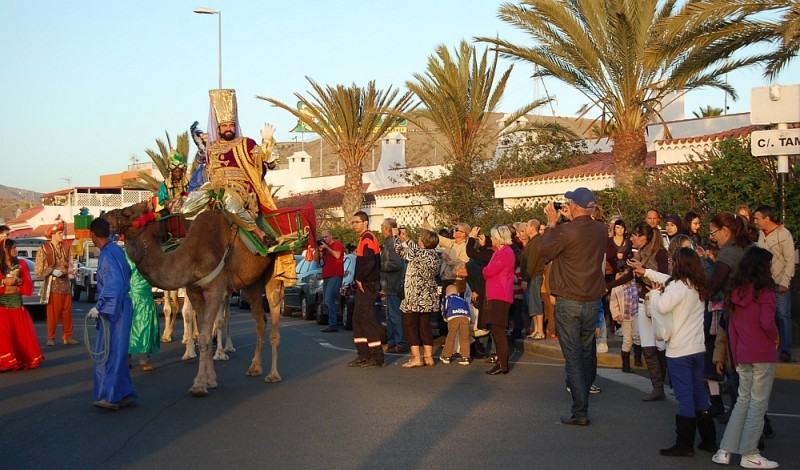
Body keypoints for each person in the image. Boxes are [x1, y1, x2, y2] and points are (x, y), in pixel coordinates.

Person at [539, 187, 608, 425]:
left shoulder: (565, 231)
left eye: (570, 202)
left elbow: (544, 250)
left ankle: (580, 410)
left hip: (569, 300)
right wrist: (569, 219)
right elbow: (582, 231)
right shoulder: (601, 228)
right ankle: (584, 395)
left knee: (573, 356)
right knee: (587, 351)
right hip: (592, 300)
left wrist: (551, 223)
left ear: (575, 206)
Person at [181, 89, 280, 247]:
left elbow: (269, 162)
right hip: (214, 187)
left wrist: (267, 142)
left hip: (241, 188)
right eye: (224, 125)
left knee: (230, 203)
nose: (228, 128)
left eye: (231, 125)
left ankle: (260, 234)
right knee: (186, 208)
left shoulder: (245, 143)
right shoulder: (211, 149)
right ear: (218, 128)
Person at [642, 247, 716, 457]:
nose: (671, 263)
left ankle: (684, 444)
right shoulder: (698, 286)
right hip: (697, 348)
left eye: (673, 260)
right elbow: (669, 282)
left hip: (679, 350)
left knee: (684, 397)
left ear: (679, 263)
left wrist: (654, 294)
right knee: (699, 394)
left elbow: (663, 306)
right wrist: (648, 273)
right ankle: (709, 440)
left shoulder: (676, 287)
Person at [712, 246, 781, 469]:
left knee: (742, 401)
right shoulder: (766, 293)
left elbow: (731, 329)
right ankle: (749, 452)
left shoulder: (735, 292)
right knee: (758, 404)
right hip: (762, 353)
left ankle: (725, 450)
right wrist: (775, 338)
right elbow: (767, 323)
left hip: (742, 353)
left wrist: (736, 354)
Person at [87, 218, 135, 410]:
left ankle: (111, 395)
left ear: (93, 234)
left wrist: (100, 307)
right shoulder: (116, 250)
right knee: (119, 351)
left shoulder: (108, 255)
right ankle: (124, 392)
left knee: (110, 352)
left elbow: (113, 285)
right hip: (121, 305)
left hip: (114, 309)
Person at [753, 205, 795, 363]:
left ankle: (785, 349)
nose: (755, 221)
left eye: (757, 218)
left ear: (767, 218)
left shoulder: (784, 234)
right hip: (764, 283)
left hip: (779, 282)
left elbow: (790, 259)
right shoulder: (761, 235)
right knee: (767, 316)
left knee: (783, 315)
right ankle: (771, 347)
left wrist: (785, 281)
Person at [394, 228, 440, 368]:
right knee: (424, 324)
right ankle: (428, 356)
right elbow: (415, 250)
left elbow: (400, 250)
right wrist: (407, 240)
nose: (418, 239)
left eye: (420, 238)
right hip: (428, 295)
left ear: (424, 242)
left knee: (409, 324)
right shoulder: (433, 255)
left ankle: (416, 357)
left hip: (414, 294)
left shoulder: (418, 253)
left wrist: (396, 237)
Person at [0, 238, 45, 371]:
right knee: (5, 335)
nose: (16, 250)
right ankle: (7, 361)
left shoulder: (21, 264)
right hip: (3, 304)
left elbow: (27, 283)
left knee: (20, 334)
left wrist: (19, 281)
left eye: (16, 247)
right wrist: (4, 283)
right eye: (13, 248)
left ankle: (20, 359)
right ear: (5, 250)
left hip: (17, 303)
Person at [347, 211, 384, 368]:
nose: (354, 224)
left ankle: (376, 356)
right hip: (365, 284)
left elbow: (369, 263)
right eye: (353, 222)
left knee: (367, 319)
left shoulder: (368, 238)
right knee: (358, 319)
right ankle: (363, 354)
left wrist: (360, 278)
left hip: (368, 284)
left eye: (357, 222)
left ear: (365, 223)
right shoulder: (364, 238)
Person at [34, 219, 78, 346]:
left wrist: (71, 271)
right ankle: (50, 337)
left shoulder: (66, 247)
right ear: (52, 235)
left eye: (62, 232)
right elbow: (38, 270)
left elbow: (72, 264)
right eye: (59, 233)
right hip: (53, 285)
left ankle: (67, 336)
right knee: (53, 313)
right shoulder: (44, 249)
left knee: (67, 313)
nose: (62, 235)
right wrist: (52, 270)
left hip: (65, 285)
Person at [480, 225, 516, 375]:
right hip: (495, 294)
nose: (492, 239)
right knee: (496, 331)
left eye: (494, 236)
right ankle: (502, 362)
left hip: (500, 295)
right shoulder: (500, 252)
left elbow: (489, 270)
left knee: (499, 331)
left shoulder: (505, 253)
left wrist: (485, 270)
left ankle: (503, 364)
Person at [125, 250, 160, 371]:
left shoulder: (124, 253)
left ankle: (127, 359)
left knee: (127, 327)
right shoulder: (148, 254)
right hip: (141, 296)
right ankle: (144, 359)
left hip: (130, 296)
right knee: (144, 327)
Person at [379, 219, 407, 352]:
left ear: (386, 228)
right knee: (389, 316)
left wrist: (380, 266)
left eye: (382, 227)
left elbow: (396, 264)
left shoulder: (392, 243)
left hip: (394, 285)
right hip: (389, 286)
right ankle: (392, 342)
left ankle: (400, 342)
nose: (381, 229)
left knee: (395, 315)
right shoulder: (389, 243)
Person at [522, 219, 546, 339]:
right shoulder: (532, 242)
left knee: (536, 303)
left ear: (532, 227)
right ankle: (536, 329)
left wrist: (525, 278)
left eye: (527, 225)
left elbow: (532, 262)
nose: (525, 228)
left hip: (534, 276)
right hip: (531, 276)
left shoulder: (536, 241)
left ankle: (540, 330)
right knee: (532, 304)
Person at [318, 229, 345, 333]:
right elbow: (319, 260)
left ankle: (333, 324)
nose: (324, 239)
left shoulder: (337, 244)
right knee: (326, 301)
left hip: (335, 275)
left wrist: (327, 248)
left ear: (331, 236)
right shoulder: (325, 248)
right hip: (327, 276)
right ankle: (332, 323)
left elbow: (337, 255)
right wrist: (319, 250)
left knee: (329, 300)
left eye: (326, 237)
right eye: (323, 237)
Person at [440, 284, 471, 365]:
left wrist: (445, 316)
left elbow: (444, 308)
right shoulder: (462, 300)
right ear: (458, 294)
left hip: (453, 316)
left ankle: (446, 356)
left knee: (451, 337)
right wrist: (469, 318)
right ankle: (465, 357)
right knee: (465, 338)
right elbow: (467, 308)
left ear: (447, 294)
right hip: (465, 317)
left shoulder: (447, 298)